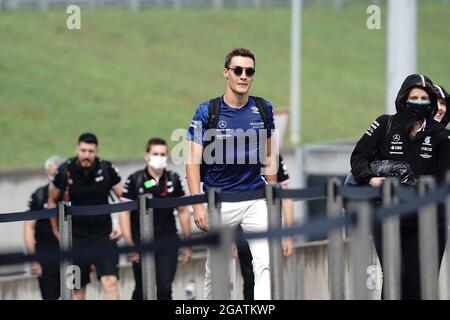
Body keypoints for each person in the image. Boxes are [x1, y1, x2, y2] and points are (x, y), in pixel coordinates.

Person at [186, 47, 283, 300]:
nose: (243, 76)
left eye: (249, 71)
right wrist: (198, 205)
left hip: (255, 197)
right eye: (237, 70)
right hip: (218, 201)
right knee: (216, 272)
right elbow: (192, 162)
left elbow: (270, 156)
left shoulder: (264, 109)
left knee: (266, 262)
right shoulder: (207, 111)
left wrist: (272, 195)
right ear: (226, 73)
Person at [350, 74, 450, 299]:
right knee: (394, 278)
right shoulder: (385, 124)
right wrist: (371, 179)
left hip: (426, 217)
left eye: (425, 98)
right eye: (414, 97)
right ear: (403, 98)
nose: (419, 102)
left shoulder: (441, 135)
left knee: (419, 283)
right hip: (387, 213)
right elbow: (358, 157)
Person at [48, 133, 123, 300]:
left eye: (91, 151)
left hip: (104, 236)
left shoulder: (106, 168)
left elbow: (125, 197)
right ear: (77, 149)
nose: (86, 155)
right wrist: (56, 230)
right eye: (83, 150)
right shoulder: (65, 170)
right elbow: (52, 200)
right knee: (76, 289)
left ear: (96, 151)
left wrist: (122, 226)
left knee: (110, 282)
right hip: (75, 239)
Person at [119, 138, 192, 300]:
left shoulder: (173, 179)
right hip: (141, 239)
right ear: (147, 156)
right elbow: (123, 213)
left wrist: (187, 243)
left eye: (163, 154)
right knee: (142, 287)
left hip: (167, 238)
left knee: (165, 287)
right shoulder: (135, 179)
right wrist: (129, 244)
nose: (159, 157)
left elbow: (183, 210)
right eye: (155, 154)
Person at [233, 154, 294, 300]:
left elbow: (286, 196)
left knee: (271, 277)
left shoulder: (273, 156)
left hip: (271, 229)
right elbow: (230, 198)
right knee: (251, 280)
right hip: (244, 230)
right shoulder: (238, 154)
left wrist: (289, 235)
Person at [24, 155, 65, 300]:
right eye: (52, 172)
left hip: (73, 254)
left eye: (58, 173)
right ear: (46, 173)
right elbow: (29, 227)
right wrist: (33, 259)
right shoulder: (38, 195)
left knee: (76, 292)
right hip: (46, 257)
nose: (54, 176)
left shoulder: (71, 194)